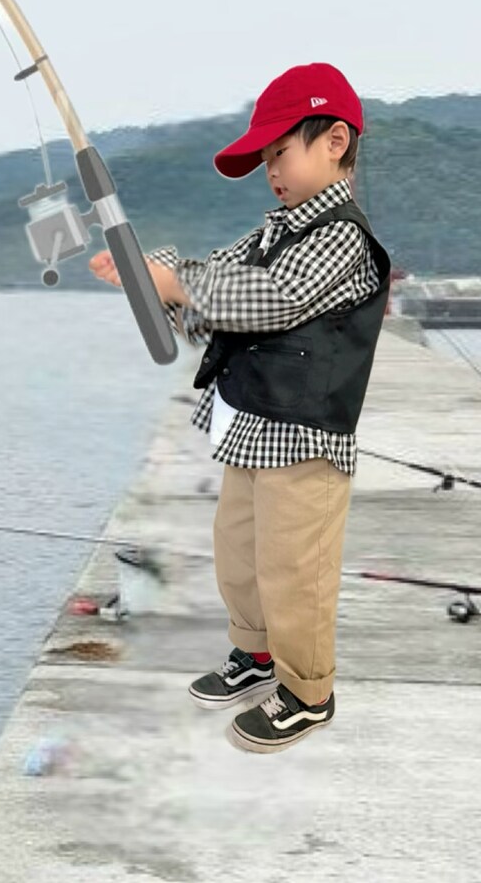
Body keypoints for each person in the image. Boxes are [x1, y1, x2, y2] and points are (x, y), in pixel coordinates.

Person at [89, 62, 391, 754]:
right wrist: (152, 278)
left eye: (279, 152)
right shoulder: (271, 231)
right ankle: (255, 656)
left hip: (306, 437)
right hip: (252, 426)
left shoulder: (342, 238)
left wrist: (176, 281)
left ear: (335, 140)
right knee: (241, 553)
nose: (271, 171)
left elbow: (267, 299)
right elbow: (214, 291)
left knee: (294, 565)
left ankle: (308, 690)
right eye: (264, 161)